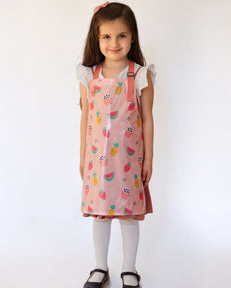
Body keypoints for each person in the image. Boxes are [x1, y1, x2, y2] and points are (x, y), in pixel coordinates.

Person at [77, 2, 155, 287]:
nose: (114, 43)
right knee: (100, 216)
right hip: (98, 161)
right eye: (106, 36)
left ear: (132, 36)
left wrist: (148, 159)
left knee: (128, 216)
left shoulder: (141, 75)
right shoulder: (89, 75)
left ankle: (129, 268)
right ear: (96, 39)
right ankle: (100, 267)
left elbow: (147, 118)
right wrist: (83, 156)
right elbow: (85, 116)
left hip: (129, 161)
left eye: (121, 35)